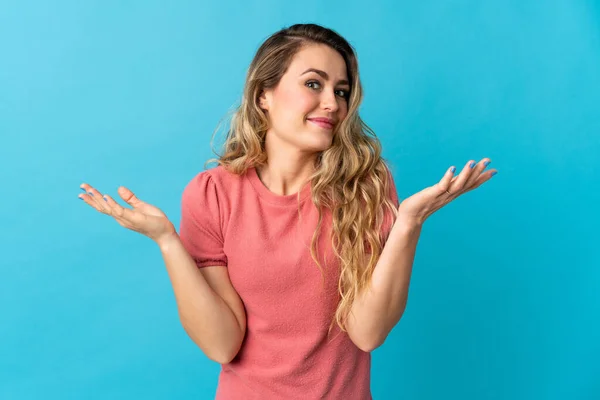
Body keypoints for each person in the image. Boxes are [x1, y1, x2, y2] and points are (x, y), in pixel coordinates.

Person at [78, 23, 497, 400]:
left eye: (341, 90)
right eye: (313, 84)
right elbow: (223, 344)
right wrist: (167, 241)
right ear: (264, 94)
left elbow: (367, 332)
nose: (332, 102)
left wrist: (408, 224)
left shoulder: (364, 188)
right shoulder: (212, 195)